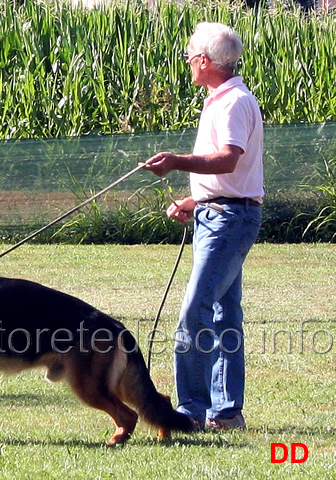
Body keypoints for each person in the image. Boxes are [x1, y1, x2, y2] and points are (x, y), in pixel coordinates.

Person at [143, 22, 264, 431]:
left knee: (194, 312)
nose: (189, 64)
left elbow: (229, 158)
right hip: (222, 213)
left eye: (190, 57)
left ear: (205, 61)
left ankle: (191, 410)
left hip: (229, 220)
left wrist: (176, 161)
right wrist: (198, 201)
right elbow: (236, 173)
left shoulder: (232, 103)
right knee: (224, 314)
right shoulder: (223, 99)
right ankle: (227, 412)